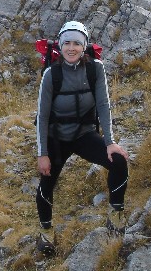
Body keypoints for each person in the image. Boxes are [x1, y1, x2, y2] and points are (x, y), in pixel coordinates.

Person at [35, 21, 129, 254]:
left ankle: (116, 213)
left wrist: (110, 142)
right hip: (56, 138)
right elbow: (42, 116)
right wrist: (42, 154)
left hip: (84, 134)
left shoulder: (95, 68)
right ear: (60, 45)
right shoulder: (51, 74)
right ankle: (46, 231)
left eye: (77, 43)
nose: (71, 48)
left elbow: (104, 105)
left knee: (118, 161)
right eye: (67, 43)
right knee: (46, 183)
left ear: (84, 46)